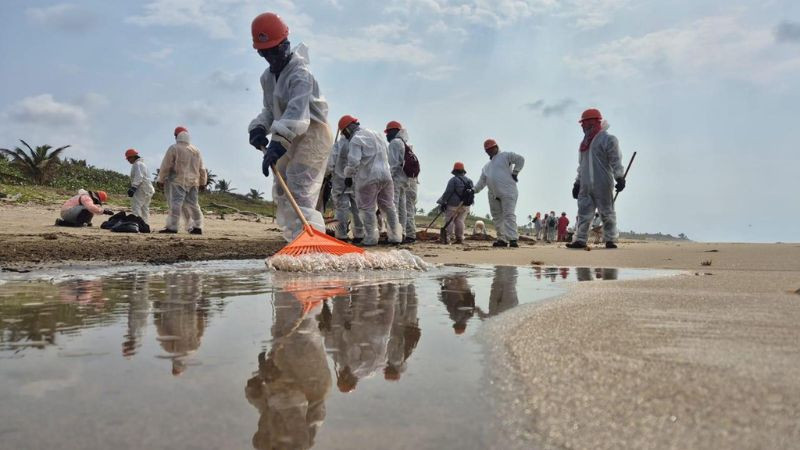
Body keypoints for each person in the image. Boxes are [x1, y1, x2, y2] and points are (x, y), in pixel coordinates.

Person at [248, 12, 332, 242]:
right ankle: (297, 241)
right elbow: (270, 109)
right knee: (283, 191)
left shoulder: (300, 74)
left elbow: (298, 112)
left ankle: (312, 243)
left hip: (312, 134)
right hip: (286, 134)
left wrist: (278, 142)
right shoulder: (267, 78)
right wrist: (258, 128)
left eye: (275, 49)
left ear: (285, 43)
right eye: (265, 52)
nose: (271, 56)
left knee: (300, 188)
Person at [339, 115, 402, 246]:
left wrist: (348, 176)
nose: (345, 136)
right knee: (389, 207)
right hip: (386, 176)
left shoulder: (356, 139)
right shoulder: (377, 135)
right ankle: (395, 237)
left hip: (368, 178)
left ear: (348, 129)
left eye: (344, 133)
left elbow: (354, 161)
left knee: (367, 208)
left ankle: (371, 239)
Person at [567, 108, 625, 249]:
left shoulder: (608, 139)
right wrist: (577, 183)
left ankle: (610, 239)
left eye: (584, 124)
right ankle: (580, 239)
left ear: (592, 123)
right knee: (583, 213)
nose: (582, 127)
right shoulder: (584, 144)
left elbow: (615, 160)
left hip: (603, 183)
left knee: (607, 212)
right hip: (585, 185)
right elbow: (582, 166)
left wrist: (619, 177)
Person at [473, 139, 525, 248]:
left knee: (509, 215)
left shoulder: (505, 156)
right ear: (486, 151)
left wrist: (515, 173)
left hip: (508, 191)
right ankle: (502, 239)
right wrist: (473, 190)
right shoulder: (486, 167)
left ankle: (513, 239)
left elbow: (520, 159)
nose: (490, 151)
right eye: (488, 150)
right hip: (493, 194)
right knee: (497, 217)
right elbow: (481, 182)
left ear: (497, 147)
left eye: (492, 148)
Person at [157, 127, 206, 234]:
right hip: (193, 182)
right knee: (194, 204)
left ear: (176, 136)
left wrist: (161, 179)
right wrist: (203, 182)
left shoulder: (174, 148)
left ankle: (172, 227)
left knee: (175, 204)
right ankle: (198, 227)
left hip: (177, 181)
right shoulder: (196, 150)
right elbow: (202, 168)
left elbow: (166, 165)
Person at [385, 121, 419, 243]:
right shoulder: (404, 143)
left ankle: (394, 235)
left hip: (397, 179)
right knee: (402, 208)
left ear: (393, 131)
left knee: (393, 206)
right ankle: (403, 233)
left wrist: (389, 178)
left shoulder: (394, 143)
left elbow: (394, 165)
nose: (386, 135)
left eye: (388, 132)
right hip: (405, 180)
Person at [327, 136, 364, 242]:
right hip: (355, 181)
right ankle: (359, 235)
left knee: (341, 209)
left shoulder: (337, 145)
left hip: (340, 182)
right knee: (357, 209)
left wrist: (328, 174)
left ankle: (341, 235)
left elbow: (330, 164)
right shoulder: (356, 144)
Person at [436, 162, 473, 244]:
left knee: (449, 220)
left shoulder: (453, 180)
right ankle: (459, 238)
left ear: (455, 171)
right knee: (460, 221)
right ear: (463, 171)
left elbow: (448, 192)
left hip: (453, 204)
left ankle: (447, 238)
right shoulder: (470, 181)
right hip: (465, 205)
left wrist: (443, 202)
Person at [124, 149, 155, 225]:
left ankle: (136, 224)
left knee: (136, 206)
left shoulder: (137, 164)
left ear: (133, 157)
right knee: (145, 208)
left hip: (142, 189)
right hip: (148, 189)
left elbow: (139, 176)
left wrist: (133, 187)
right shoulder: (142, 164)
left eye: (128, 158)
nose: (128, 160)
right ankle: (144, 225)